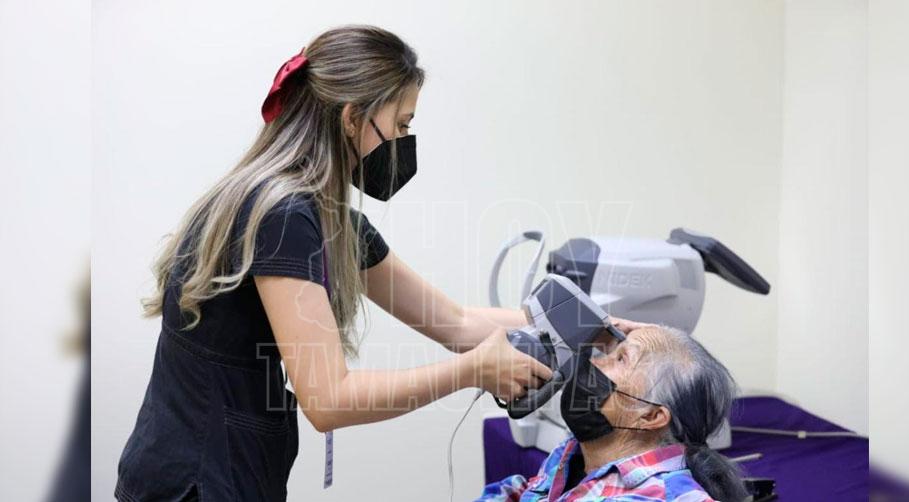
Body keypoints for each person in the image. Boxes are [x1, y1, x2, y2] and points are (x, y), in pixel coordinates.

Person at [114, 25, 643, 501]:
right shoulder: (282, 215)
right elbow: (329, 399)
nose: (405, 142)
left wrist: (591, 330)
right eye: (402, 123)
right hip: (197, 480)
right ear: (352, 118)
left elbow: (454, 322)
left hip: (224, 466)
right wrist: (472, 372)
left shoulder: (327, 220)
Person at [476, 323, 749, 502]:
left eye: (621, 358)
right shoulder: (573, 456)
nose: (594, 361)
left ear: (651, 416)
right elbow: (528, 492)